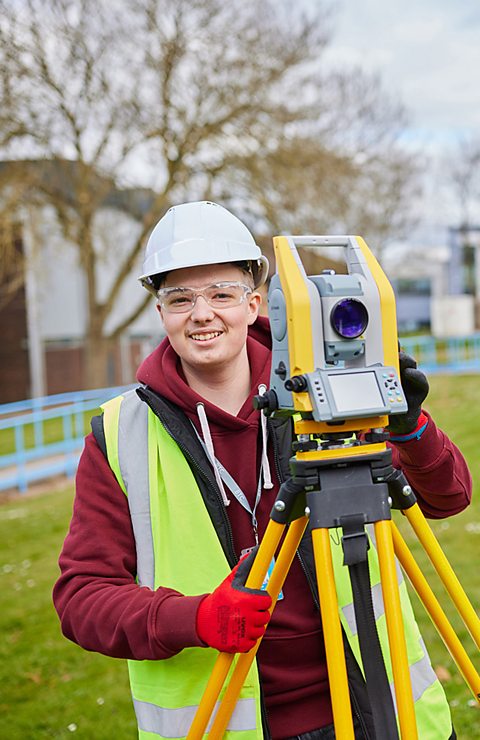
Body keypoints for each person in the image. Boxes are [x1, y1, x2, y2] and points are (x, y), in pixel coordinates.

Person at [53, 200, 472, 740]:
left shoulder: (326, 395)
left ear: (254, 303)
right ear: (161, 314)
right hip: (227, 724)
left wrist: (411, 425)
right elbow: (82, 597)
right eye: (180, 299)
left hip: (384, 713)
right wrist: (196, 618)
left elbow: (448, 496)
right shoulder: (119, 434)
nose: (202, 314)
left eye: (221, 295)